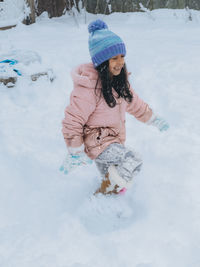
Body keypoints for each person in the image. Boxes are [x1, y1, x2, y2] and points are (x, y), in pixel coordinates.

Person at [61, 19, 169, 195]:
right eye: (114, 58)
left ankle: (102, 204)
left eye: (122, 57)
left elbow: (136, 104)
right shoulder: (89, 88)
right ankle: (104, 195)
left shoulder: (119, 84)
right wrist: (75, 151)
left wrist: (154, 119)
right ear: (103, 61)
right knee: (132, 160)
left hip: (113, 141)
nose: (120, 62)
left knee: (115, 185)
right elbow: (73, 119)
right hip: (97, 141)